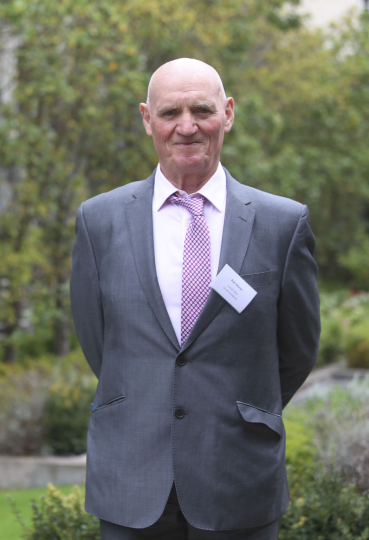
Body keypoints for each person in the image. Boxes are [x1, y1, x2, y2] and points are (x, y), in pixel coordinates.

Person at [70, 58, 320, 539]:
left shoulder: (281, 224)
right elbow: (99, 342)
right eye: (170, 113)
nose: (186, 127)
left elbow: (297, 350)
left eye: (201, 110)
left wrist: (239, 408)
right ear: (147, 119)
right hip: (131, 477)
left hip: (238, 475)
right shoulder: (98, 221)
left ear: (227, 113)